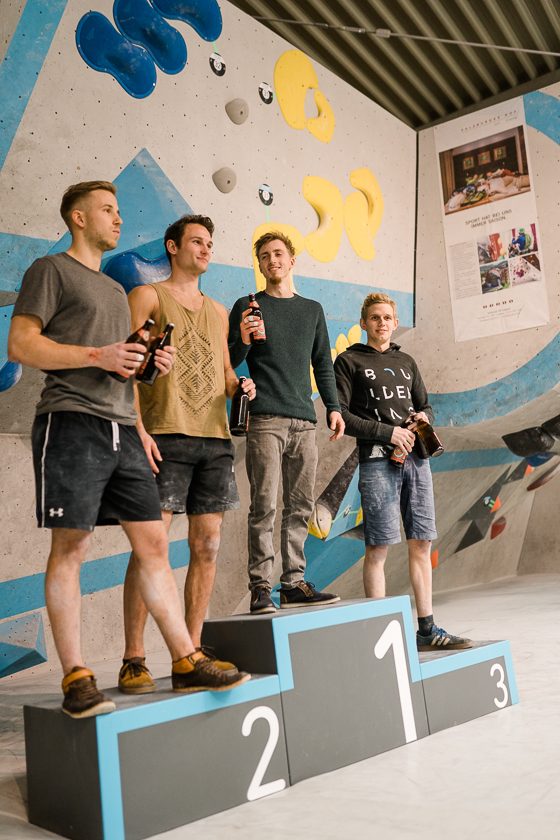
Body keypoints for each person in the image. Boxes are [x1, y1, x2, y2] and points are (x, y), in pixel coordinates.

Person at [8, 182, 249, 718]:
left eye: (118, 209)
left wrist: (146, 367)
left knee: (155, 550)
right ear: (78, 216)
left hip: (124, 428)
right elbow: (21, 344)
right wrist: (97, 353)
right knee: (70, 550)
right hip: (71, 422)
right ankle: (77, 677)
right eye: (108, 210)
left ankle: (185, 658)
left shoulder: (116, 294)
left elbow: (124, 364)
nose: (118, 219)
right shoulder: (50, 272)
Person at [118, 214, 256, 693]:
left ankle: (189, 655)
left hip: (215, 439)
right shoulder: (147, 297)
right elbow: (126, 370)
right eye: (196, 241)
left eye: (210, 243)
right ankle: (134, 657)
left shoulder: (218, 311)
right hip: (162, 435)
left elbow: (225, 374)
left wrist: (244, 385)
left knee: (208, 547)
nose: (206, 249)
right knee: (149, 548)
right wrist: (137, 429)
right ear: (171, 247)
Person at [334, 292, 472, 651]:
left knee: (421, 543)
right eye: (374, 318)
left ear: (396, 323)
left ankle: (426, 630)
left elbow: (423, 403)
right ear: (363, 323)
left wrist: (424, 417)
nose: (381, 323)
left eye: (387, 318)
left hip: (417, 460)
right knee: (378, 547)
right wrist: (388, 432)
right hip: (378, 461)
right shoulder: (348, 361)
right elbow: (343, 417)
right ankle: (381, 633)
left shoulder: (407, 361)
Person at [228, 231, 345, 614]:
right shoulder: (247, 306)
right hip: (264, 421)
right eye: (264, 256)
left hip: (304, 423)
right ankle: (261, 588)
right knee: (264, 506)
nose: (272, 260)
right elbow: (228, 360)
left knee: (299, 506)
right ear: (259, 265)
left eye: (278, 254)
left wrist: (333, 407)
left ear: (291, 261)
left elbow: (323, 364)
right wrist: (244, 339)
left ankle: (293, 582)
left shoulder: (311, 310)